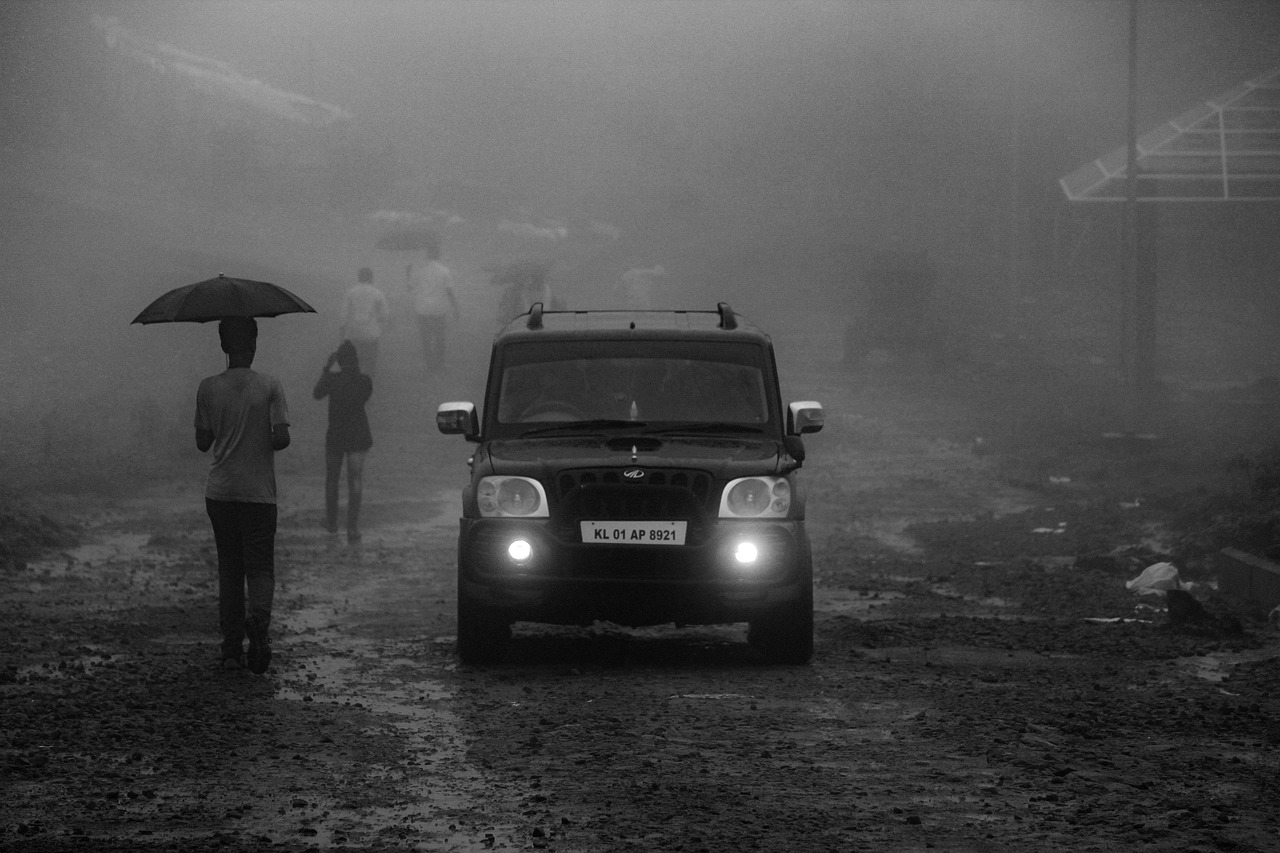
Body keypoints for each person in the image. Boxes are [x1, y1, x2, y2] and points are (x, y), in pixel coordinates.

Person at [195, 317, 291, 674]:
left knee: (230, 570)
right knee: (261, 567)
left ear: (223, 346)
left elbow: (203, 442)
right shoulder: (269, 385)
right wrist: (258, 434)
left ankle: (232, 651)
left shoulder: (207, 388)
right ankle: (259, 620)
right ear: (254, 344)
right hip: (258, 494)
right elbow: (282, 438)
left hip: (220, 493)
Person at [312, 340, 373, 543]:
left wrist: (327, 368)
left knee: (332, 479)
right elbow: (361, 395)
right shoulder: (365, 381)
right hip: (358, 434)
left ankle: (332, 523)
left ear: (339, 360)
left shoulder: (332, 380)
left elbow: (317, 394)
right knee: (355, 481)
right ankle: (353, 528)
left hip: (336, 434)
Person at [405, 244, 460, 370]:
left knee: (426, 338)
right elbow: (449, 291)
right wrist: (455, 308)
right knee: (440, 337)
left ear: (427, 255)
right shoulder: (444, 271)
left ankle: (429, 363)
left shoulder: (420, 270)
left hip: (422, 308)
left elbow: (409, 287)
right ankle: (439, 363)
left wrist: (407, 272)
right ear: (438, 255)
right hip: (439, 309)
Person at [340, 267, 389, 376]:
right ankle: (369, 379)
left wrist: (342, 330)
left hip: (354, 331)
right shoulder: (377, 293)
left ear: (359, 278)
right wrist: (381, 322)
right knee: (371, 358)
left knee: (355, 356)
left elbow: (344, 313)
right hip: (371, 333)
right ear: (371, 278)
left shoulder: (351, 293)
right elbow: (384, 314)